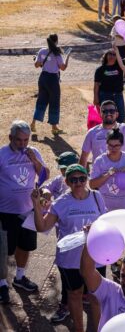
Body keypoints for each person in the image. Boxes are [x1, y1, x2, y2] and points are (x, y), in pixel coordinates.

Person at [32, 164, 106, 332]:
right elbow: (42, 226)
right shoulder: (61, 203)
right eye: (73, 180)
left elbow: (105, 221)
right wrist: (37, 206)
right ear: (67, 182)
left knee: (96, 297)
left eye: (82, 178)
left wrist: (95, 227)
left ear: (86, 178)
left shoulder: (97, 197)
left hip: (96, 257)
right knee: (74, 295)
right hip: (70, 260)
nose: (78, 183)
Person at [0, 121, 49, 303]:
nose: (22, 144)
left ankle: (19, 277)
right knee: (3, 250)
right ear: (10, 138)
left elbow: (44, 176)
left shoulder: (33, 152)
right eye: (19, 140)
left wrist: (35, 161)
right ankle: (2, 283)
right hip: (5, 212)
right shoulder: (2, 155)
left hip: (28, 210)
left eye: (26, 140)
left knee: (25, 246)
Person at [89, 128, 125, 211]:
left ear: (122, 145)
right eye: (110, 145)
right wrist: (107, 174)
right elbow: (92, 185)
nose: (113, 148)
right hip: (104, 208)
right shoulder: (100, 161)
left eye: (116, 145)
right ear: (106, 144)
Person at [80, 100, 125, 168]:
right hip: (99, 175)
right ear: (100, 114)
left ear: (117, 114)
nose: (108, 113)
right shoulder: (92, 133)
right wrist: (81, 175)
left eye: (112, 111)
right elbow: (84, 156)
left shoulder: (124, 129)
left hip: (120, 174)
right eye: (105, 111)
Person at [31, 34, 70, 135]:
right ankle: (54, 127)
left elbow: (36, 65)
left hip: (43, 78)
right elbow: (63, 67)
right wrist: (68, 57)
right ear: (56, 41)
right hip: (53, 80)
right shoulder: (57, 54)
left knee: (41, 101)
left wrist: (36, 58)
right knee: (54, 102)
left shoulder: (42, 51)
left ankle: (33, 123)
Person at [94, 46, 125, 123]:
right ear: (106, 56)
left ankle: (119, 134)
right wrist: (96, 98)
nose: (112, 56)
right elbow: (96, 85)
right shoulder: (100, 69)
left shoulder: (120, 66)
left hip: (118, 96)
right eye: (110, 54)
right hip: (105, 95)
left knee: (120, 118)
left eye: (114, 54)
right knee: (106, 118)